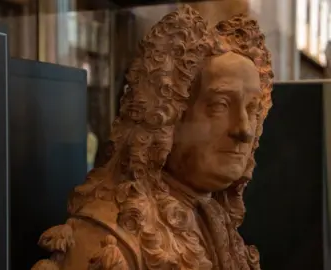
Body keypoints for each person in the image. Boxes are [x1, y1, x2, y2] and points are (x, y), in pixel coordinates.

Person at [31, 5, 273, 270]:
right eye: (220, 106)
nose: (244, 130)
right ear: (167, 117)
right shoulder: (108, 241)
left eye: (252, 109)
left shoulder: (215, 219)